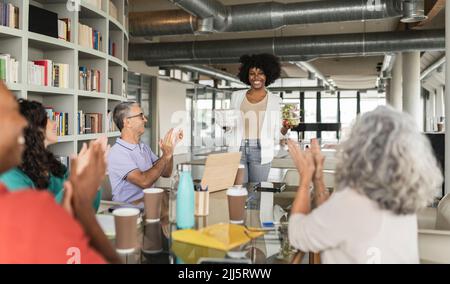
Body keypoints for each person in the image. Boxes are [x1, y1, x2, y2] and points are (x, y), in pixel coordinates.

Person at [287, 106, 443, 264]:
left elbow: (297, 236)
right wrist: (318, 178)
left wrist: (305, 178)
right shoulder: (400, 198)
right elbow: (329, 220)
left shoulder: (352, 202)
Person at [0, 81, 120, 263]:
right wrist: (76, 185)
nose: (20, 123)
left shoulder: (52, 164)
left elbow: (82, 209)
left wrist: (91, 183)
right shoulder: (16, 190)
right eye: (11, 112)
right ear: (35, 129)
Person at [0, 100, 102, 211]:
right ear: (32, 126)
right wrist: (74, 183)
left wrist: (93, 181)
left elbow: (88, 210)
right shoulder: (10, 174)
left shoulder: (54, 165)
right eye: (47, 118)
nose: (55, 123)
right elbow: (36, 219)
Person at [226, 53, 289, 183]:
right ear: (247, 76)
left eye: (261, 73)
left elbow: (277, 134)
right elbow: (230, 125)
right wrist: (225, 125)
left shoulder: (276, 100)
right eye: (252, 73)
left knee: (256, 192)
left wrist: (286, 128)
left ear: (267, 75)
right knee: (239, 190)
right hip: (238, 148)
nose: (256, 77)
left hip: (261, 148)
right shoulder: (236, 96)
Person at [108, 102, 183, 203]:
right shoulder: (117, 153)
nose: (145, 120)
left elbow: (166, 172)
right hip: (129, 210)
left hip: (148, 204)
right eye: (141, 116)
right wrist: (165, 156)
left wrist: (170, 149)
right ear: (127, 122)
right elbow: (144, 181)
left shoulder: (143, 147)